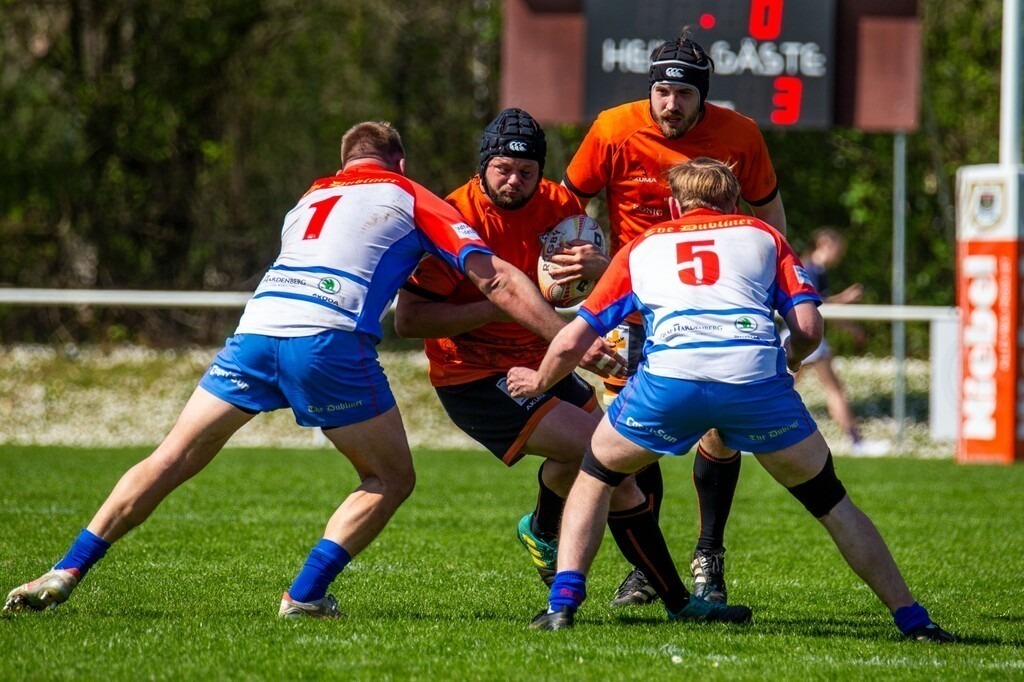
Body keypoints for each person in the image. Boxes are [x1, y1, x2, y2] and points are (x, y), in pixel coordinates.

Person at [3, 121, 619, 619]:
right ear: (399, 165)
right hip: (326, 340)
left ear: (345, 162)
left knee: (171, 457)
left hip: (253, 332)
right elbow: (501, 279)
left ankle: (66, 569)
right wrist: (578, 342)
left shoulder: (310, 197)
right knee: (389, 478)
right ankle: (304, 595)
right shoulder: (409, 195)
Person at [506, 158, 955, 643]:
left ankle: (562, 606)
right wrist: (790, 358)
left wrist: (539, 380)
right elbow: (808, 328)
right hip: (753, 385)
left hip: (669, 385)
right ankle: (913, 620)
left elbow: (575, 339)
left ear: (675, 206)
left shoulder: (642, 247)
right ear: (734, 201)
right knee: (831, 500)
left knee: (595, 475)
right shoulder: (766, 236)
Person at [552, 33, 786, 607]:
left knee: (720, 432)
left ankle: (709, 553)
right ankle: (645, 566)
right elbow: (566, 204)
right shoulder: (612, 128)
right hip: (636, 301)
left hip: (716, 303)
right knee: (634, 434)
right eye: (661, 91)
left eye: (682, 93)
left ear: (701, 95)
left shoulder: (741, 135)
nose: (670, 105)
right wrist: (562, 266)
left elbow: (771, 215)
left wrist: (778, 284)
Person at [394, 108, 668, 591]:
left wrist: (595, 278)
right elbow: (408, 319)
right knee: (612, 457)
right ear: (483, 166)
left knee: (609, 457)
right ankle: (667, 591)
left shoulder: (560, 205)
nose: (514, 180)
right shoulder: (453, 217)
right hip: (476, 376)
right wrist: (494, 309)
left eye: (527, 171)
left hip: (543, 360)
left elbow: (576, 287)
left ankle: (543, 530)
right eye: (503, 169)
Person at [788, 227, 891, 456]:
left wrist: (852, 328)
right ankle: (856, 443)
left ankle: (749, 437)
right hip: (804, 334)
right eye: (838, 250)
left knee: (784, 388)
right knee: (833, 390)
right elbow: (815, 306)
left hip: (802, 335)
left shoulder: (816, 270)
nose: (839, 256)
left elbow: (823, 310)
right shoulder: (809, 269)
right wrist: (845, 298)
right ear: (825, 244)